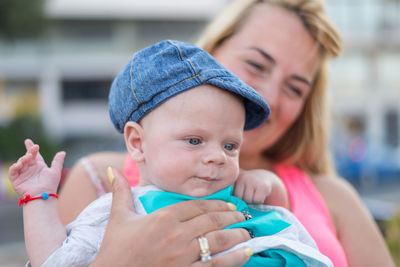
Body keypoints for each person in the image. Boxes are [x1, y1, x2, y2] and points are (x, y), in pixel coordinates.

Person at [58, 0, 395, 266]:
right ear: (210, 53)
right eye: (256, 65)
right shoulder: (99, 180)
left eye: (294, 89)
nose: (271, 98)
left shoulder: (335, 198)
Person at [9, 40, 333, 267]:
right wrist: (38, 200)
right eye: (194, 141)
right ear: (137, 142)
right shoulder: (121, 214)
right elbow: (55, 260)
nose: (217, 156)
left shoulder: (239, 198)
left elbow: (291, 233)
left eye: (230, 146)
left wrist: (268, 187)